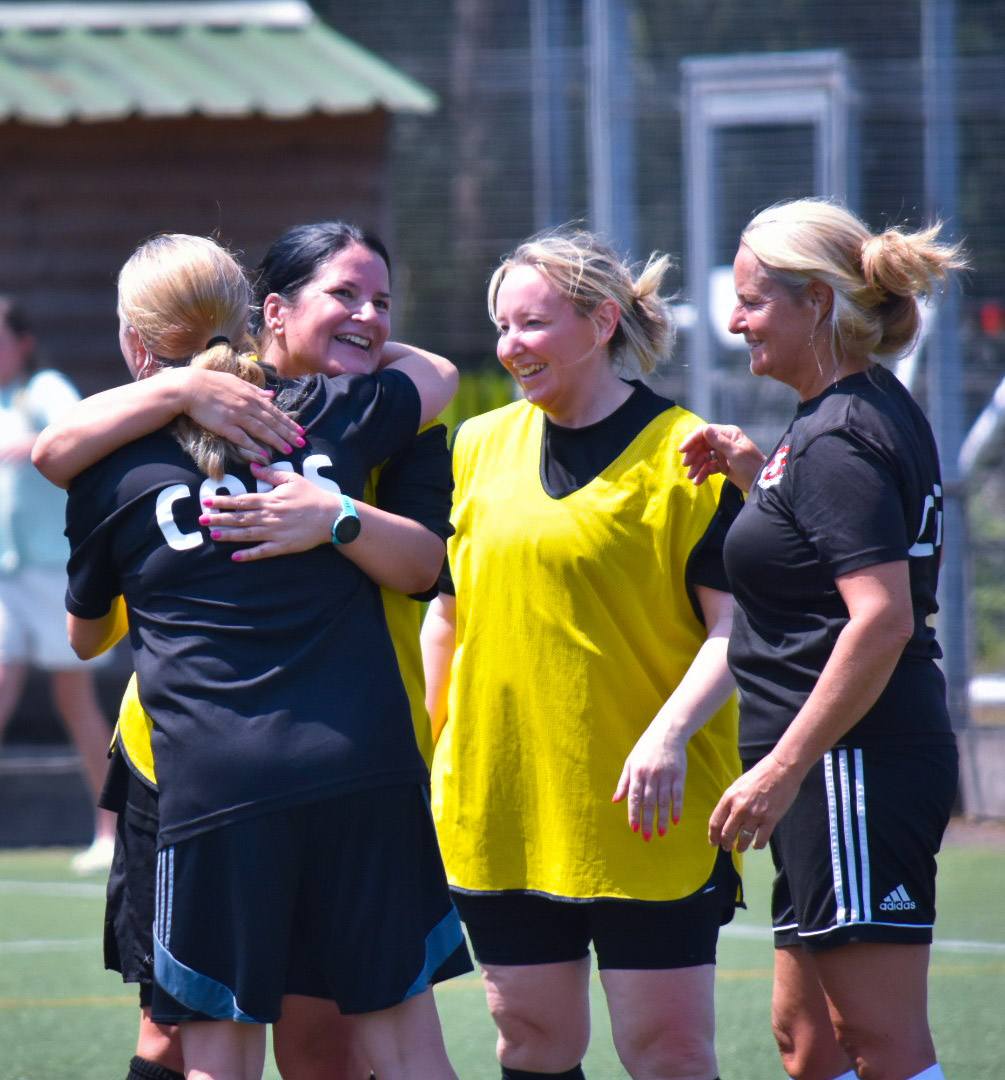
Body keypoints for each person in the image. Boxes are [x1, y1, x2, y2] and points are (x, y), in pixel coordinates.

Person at [34, 222, 456, 1079]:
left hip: (216, 781)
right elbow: (438, 373)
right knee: (402, 1048)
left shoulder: (106, 471)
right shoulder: (334, 419)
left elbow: (84, 634)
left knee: (224, 1053)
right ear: (261, 314)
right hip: (357, 764)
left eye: (380, 304)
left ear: (131, 343)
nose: (367, 319)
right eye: (345, 298)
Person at [421, 229, 743, 1080]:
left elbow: (735, 628)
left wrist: (667, 735)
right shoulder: (475, 445)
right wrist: (434, 751)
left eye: (530, 323)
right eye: (501, 326)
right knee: (531, 1043)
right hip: (502, 805)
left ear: (601, 322)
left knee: (667, 1051)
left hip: (647, 813)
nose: (508, 346)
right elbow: (445, 620)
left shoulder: (687, 456)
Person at [680, 197, 965, 1080]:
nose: (734, 322)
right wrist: (752, 468)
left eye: (753, 303)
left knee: (877, 1043)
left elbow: (876, 616)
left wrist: (781, 766)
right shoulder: (843, 415)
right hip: (837, 768)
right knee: (807, 1047)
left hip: (852, 763)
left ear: (815, 304)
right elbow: (824, 548)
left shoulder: (838, 436)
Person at [0, 296, 117, 873]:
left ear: (21, 343)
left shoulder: (42, 388)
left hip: (53, 574)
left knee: (75, 699)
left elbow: (77, 425)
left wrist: (33, 443)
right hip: (3, 578)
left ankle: (108, 830)